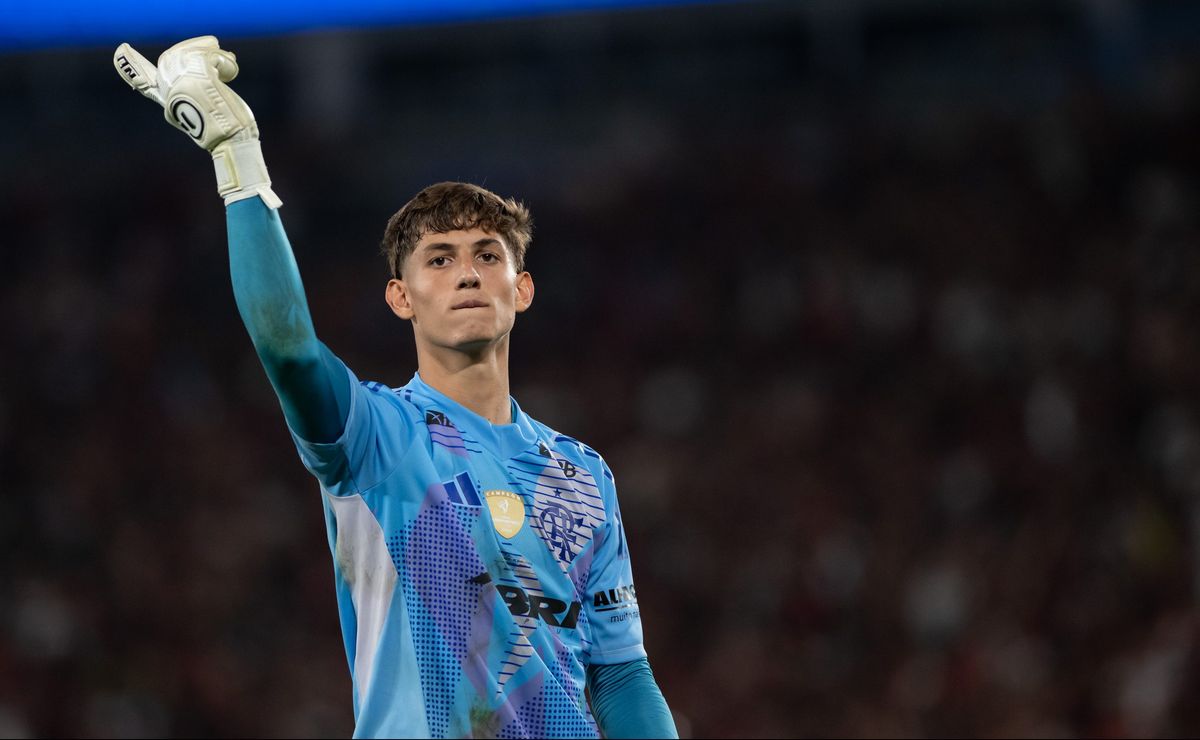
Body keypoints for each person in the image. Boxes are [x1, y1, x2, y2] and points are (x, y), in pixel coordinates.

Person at [113, 36, 678, 739]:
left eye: (487, 256)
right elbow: (288, 352)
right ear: (400, 297)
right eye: (438, 259)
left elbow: (621, 674)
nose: (467, 273)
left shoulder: (583, 474)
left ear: (522, 289)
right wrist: (237, 160)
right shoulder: (378, 437)